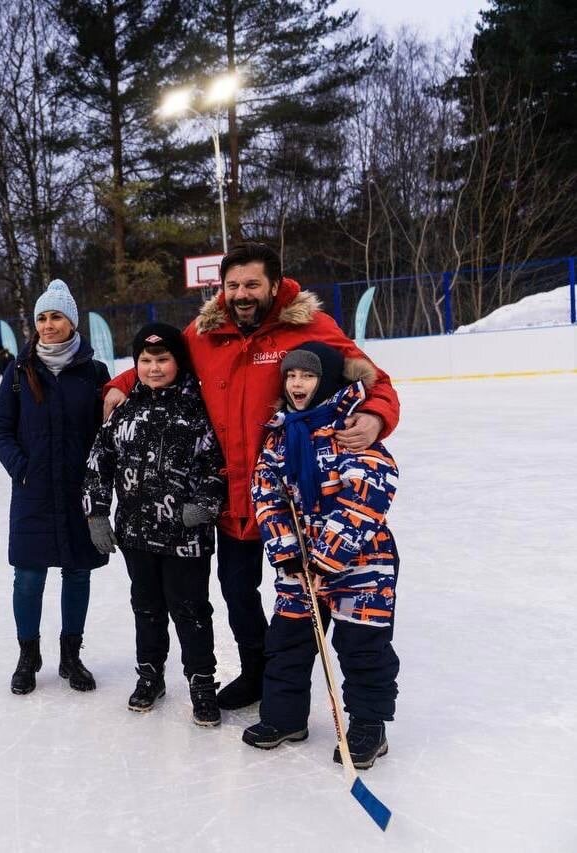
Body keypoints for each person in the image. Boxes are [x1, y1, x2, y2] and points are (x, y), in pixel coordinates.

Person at [103, 243, 400, 710]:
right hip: (234, 495)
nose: (241, 294)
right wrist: (121, 386)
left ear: (275, 285)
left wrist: (377, 416)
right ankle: (257, 670)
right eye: (233, 285)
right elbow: (159, 358)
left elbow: (372, 377)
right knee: (237, 589)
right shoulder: (205, 331)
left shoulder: (309, 327)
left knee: (301, 590)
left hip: (292, 494)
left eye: (252, 285)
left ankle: (310, 684)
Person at [243, 342, 399, 769]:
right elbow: (268, 496)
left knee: (361, 648)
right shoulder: (280, 433)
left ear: (327, 379)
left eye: (307, 376)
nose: (297, 384)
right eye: (291, 376)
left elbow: (368, 498)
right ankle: (284, 717)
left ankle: (369, 725)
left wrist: (324, 561)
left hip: (362, 566)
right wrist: (291, 557)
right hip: (299, 562)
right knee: (288, 641)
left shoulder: (351, 428)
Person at [83, 323, 226, 725]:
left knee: (191, 609)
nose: (154, 368)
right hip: (135, 531)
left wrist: (205, 504)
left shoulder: (200, 408)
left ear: (178, 361)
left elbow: (220, 463)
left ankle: (201, 681)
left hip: (186, 536)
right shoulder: (125, 409)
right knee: (146, 607)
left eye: (163, 359)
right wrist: (96, 512)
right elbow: (99, 461)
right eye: (146, 360)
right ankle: (150, 674)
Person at [0, 279, 111, 695]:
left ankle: (71, 655)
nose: (47, 324)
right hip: (34, 491)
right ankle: (29, 655)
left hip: (79, 491)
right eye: (41, 317)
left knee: (78, 573)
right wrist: (21, 468)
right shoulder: (19, 371)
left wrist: (99, 478)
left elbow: (106, 430)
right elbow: (0, 429)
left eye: (56, 316)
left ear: (72, 322)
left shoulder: (93, 372)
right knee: (28, 576)